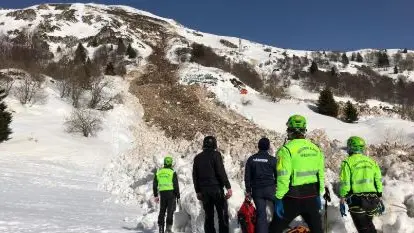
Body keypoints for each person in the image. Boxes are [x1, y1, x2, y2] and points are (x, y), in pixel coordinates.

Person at [272, 115, 325, 233]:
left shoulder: (286, 150)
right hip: (312, 196)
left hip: (292, 198)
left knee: (274, 229)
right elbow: (321, 174)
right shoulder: (316, 149)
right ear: (304, 130)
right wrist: (319, 193)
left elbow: (283, 176)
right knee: (317, 230)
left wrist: (279, 197)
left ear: (290, 130)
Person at [339, 136, 384, 233]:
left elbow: (345, 183)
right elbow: (378, 180)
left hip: (356, 200)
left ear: (350, 147)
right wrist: (380, 196)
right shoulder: (372, 162)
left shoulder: (347, 162)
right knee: (369, 225)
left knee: (363, 229)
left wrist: (342, 198)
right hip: (372, 200)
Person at [192, 136, 232, 233]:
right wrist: (228, 186)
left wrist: (197, 191)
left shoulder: (197, 158)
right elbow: (220, 171)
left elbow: (195, 175)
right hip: (216, 189)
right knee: (222, 215)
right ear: (214, 144)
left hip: (204, 191)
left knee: (208, 216)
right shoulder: (216, 155)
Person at [244, 137, 277, 233]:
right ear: (268, 147)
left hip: (257, 191)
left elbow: (247, 176)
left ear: (258, 146)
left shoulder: (251, 159)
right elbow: (278, 175)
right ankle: (277, 228)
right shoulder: (272, 159)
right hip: (270, 189)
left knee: (261, 215)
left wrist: (248, 190)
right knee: (278, 208)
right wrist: (276, 185)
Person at [153, 156, 180, 233]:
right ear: (171, 163)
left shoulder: (159, 172)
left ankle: (161, 229)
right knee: (170, 211)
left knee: (162, 211)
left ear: (164, 163)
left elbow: (155, 184)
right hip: (171, 193)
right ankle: (168, 229)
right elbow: (175, 184)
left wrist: (156, 195)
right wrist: (178, 195)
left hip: (162, 193)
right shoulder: (172, 172)